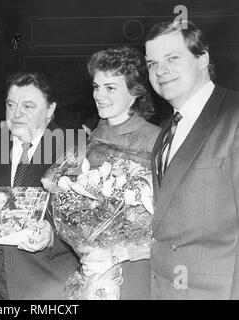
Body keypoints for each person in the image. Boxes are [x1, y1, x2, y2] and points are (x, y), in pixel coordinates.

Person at [0, 71, 79, 300]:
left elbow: (80, 215)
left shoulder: (71, 147)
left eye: (28, 106)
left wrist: (52, 236)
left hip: (44, 281)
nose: (16, 114)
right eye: (11, 104)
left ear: (50, 110)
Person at [145, 20, 239, 299]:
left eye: (172, 58)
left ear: (203, 60)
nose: (160, 71)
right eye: (151, 64)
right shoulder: (166, 131)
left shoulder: (234, 117)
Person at [86, 46, 161, 299]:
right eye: (97, 87)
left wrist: (126, 249)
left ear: (134, 92)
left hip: (136, 266)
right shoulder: (90, 139)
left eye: (110, 88)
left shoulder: (155, 140)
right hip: (93, 262)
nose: (99, 95)